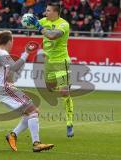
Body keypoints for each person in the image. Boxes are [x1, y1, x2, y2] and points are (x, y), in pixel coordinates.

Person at [0, 30, 54, 152]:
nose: (12, 43)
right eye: (12, 41)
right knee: (33, 112)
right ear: (9, 41)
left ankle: (13, 135)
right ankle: (36, 143)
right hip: (5, 89)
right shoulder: (3, 53)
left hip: (4, 89)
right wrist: (26, 54)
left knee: (32, 111)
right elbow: (15, 68)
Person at [29, 2, 75, 137]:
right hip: (48, 62)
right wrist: (27, 19)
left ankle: (69, 123)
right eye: (46, 10)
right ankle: (62, 86)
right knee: (49, 88)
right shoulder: (43, 21)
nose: (45, 13)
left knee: (64, 92)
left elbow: (52, 35)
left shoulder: (63, 24)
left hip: (62, 61)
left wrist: (38, 26)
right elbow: (28, 23)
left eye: (48, 11)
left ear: (56, 12)